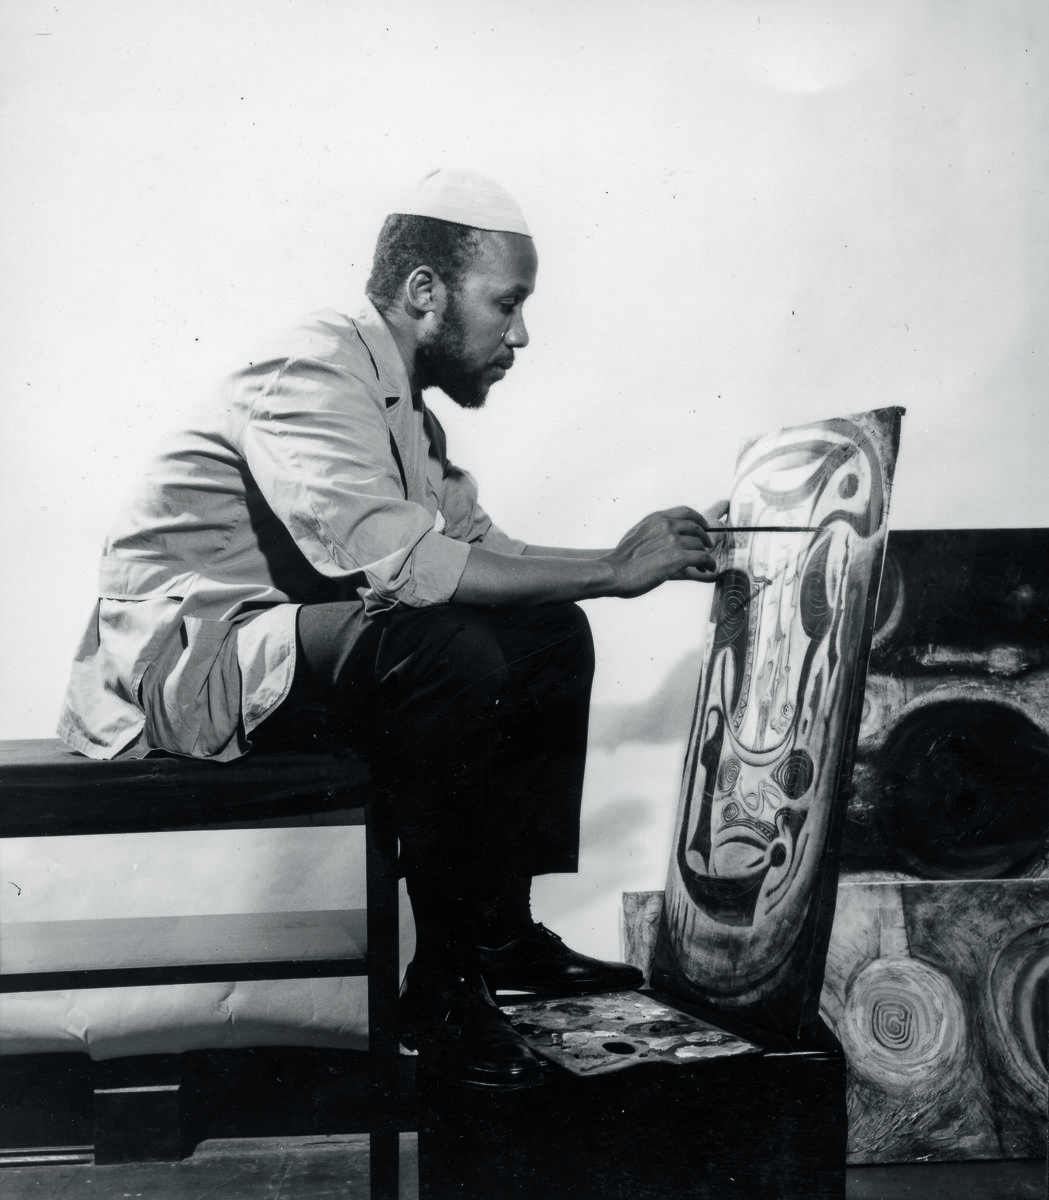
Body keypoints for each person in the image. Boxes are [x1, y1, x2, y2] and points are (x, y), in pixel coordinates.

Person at [59, 168, 726, 1090]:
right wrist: (614, 570)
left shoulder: (408, 413)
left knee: (549, 630)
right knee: (440, 642)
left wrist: (637, 553)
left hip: (289, 643)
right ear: (424, 293)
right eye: (506, 303)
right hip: (190, 659)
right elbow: (409, 572)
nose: (519, 334)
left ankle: (497, 933)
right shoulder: (313, 366)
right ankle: (443, 990)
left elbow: (494, 555)